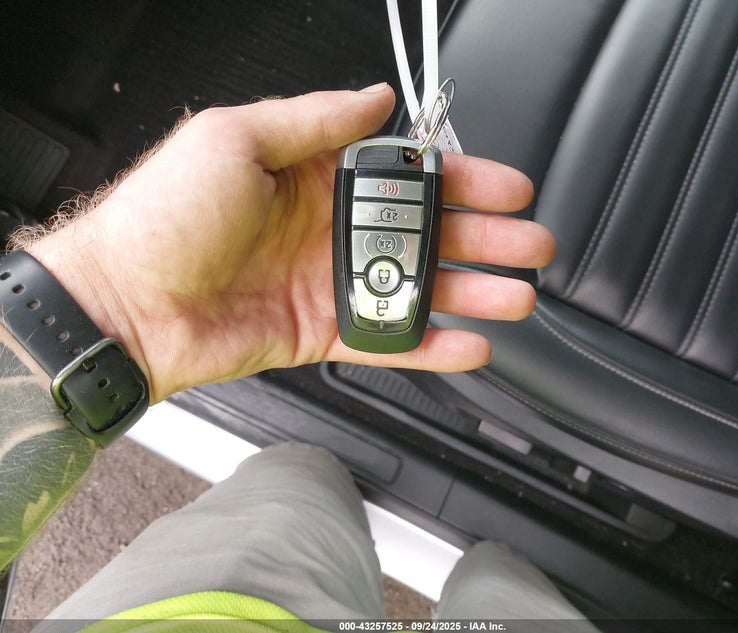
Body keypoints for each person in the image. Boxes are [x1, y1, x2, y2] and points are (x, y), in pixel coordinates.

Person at [0, 84, 597, 631]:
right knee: (493, 584)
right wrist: (109, 294)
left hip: (192, 605)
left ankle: (472, 563)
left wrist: (117, 298)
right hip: (207, 600)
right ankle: (493, 570)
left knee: (295, 488)